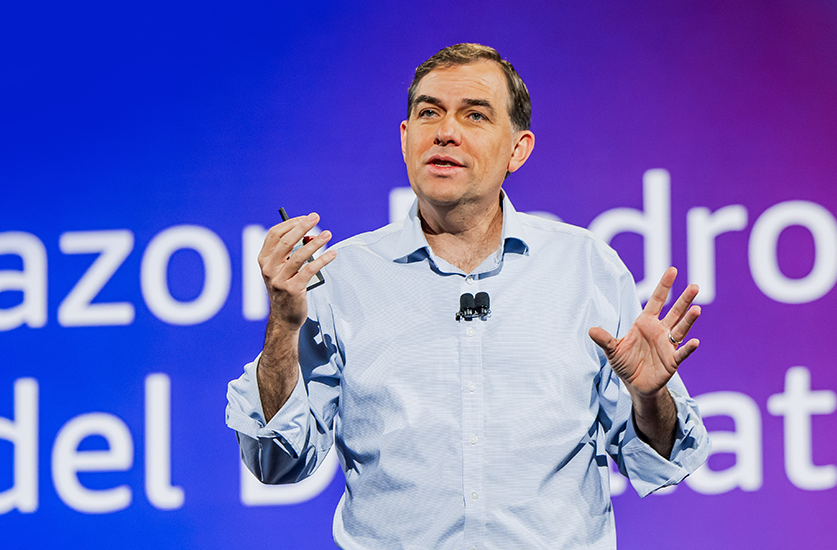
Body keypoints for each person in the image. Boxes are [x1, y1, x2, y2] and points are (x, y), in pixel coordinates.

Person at [226, 43, 710, 549]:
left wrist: (649, 397)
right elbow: (278, 462)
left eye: (474, 115)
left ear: (517, 150)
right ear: (405, 136)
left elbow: (657, 458)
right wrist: (282, 325)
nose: (445, 131)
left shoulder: (585, 267)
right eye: (428, 112)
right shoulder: (343, 277)